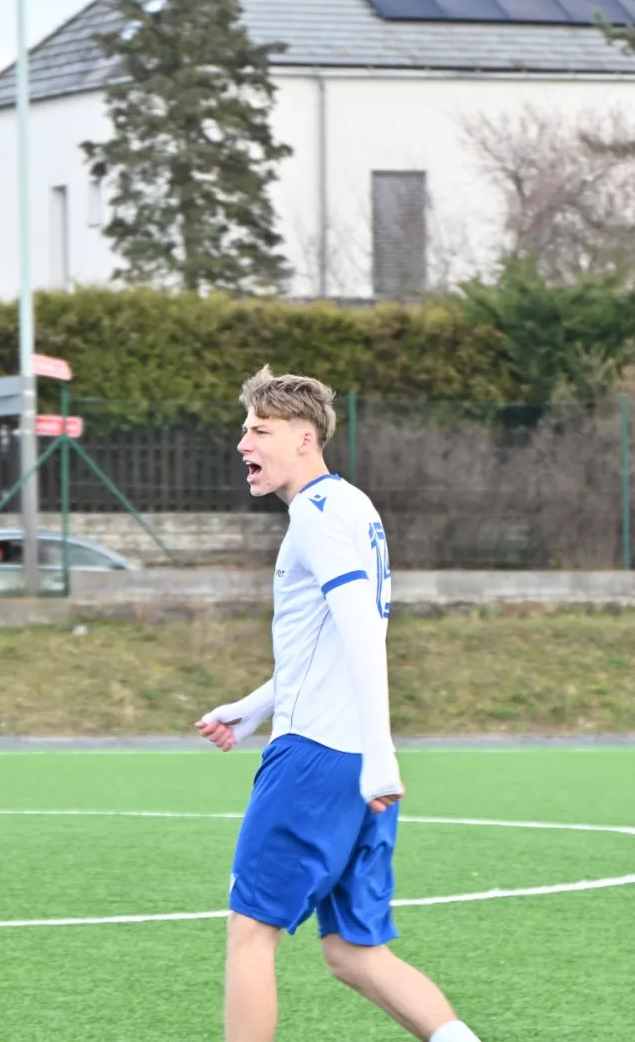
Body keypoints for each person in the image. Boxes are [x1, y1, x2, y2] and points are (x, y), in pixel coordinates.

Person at [195, 368, 480, 1042]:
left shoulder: (316, 516)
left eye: (259, 430)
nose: (243, 443)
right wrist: (257, 706)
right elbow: (327, 641)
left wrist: (380, 753)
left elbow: (361, 630)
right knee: (354, 951)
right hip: (351, 761)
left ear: (304, 438)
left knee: (250, 933)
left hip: (318, 759)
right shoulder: (351, 505)